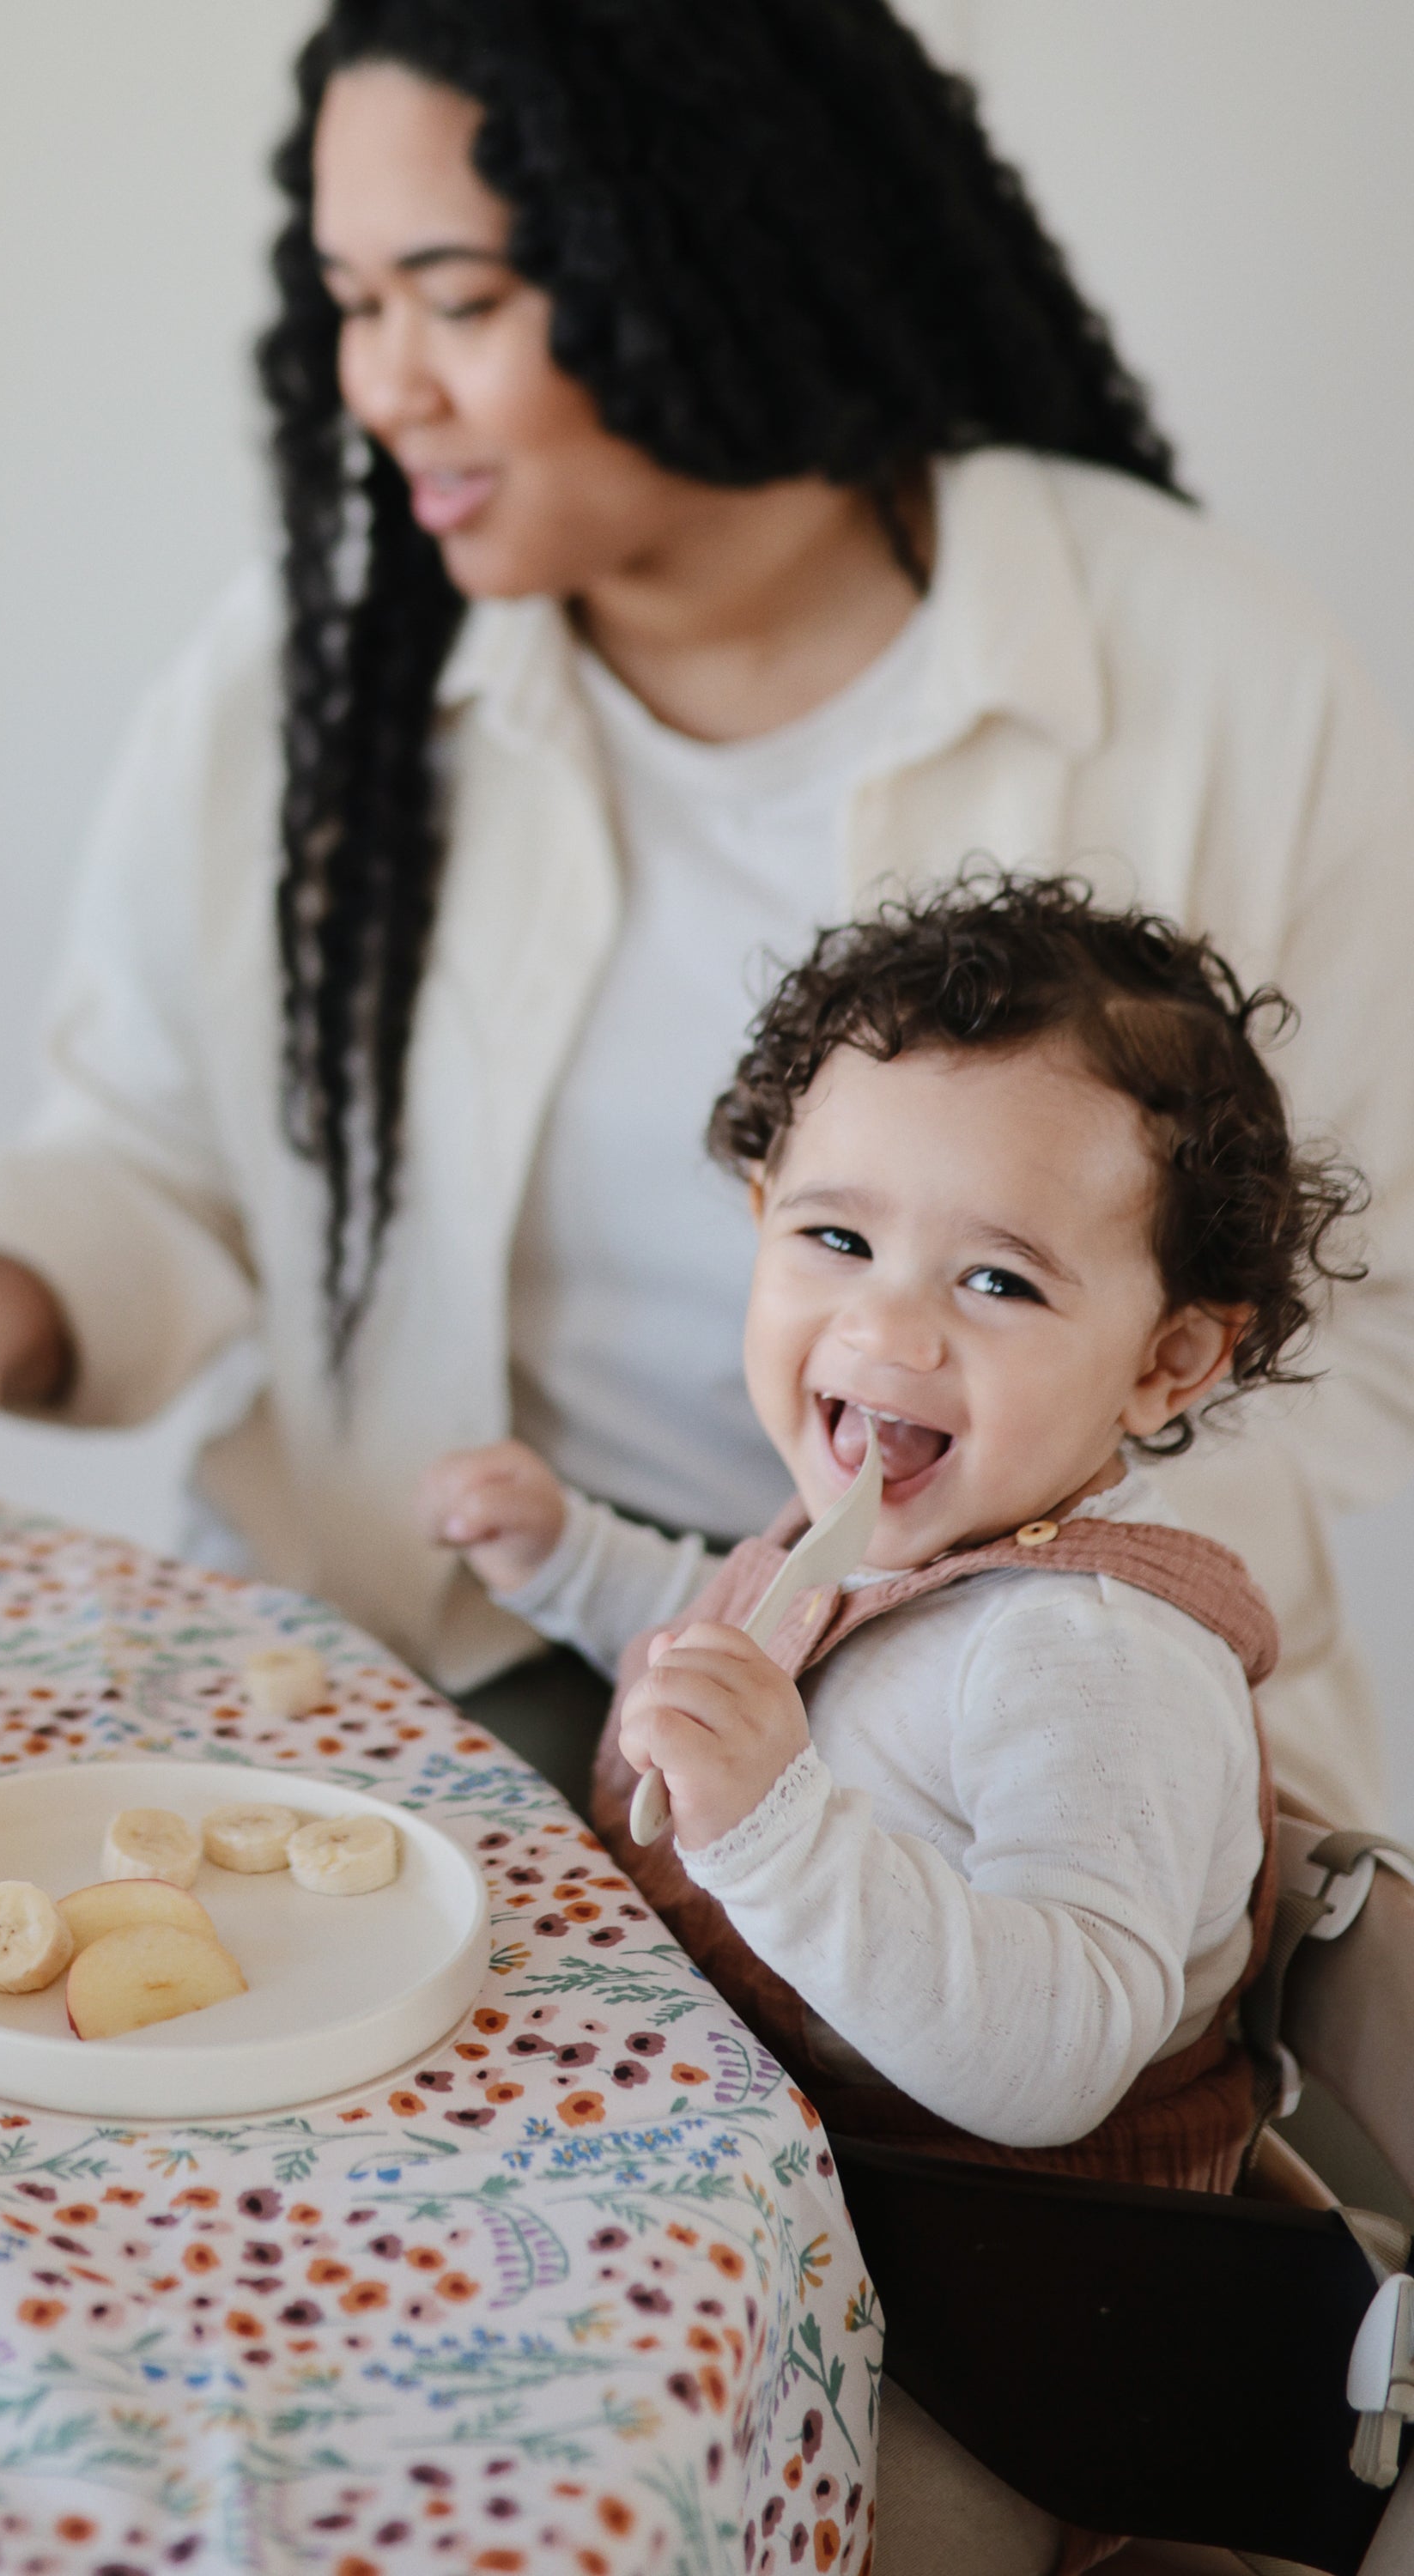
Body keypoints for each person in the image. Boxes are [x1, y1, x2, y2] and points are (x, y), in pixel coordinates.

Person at [0, 0, 1414, 1829]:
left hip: (990, 1763)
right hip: (421, 1668)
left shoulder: (1210, 683)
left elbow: (1360, 1314)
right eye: (353, 302)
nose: (380, 383)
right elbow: (154, 1152)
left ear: (707, 256)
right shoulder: (317, 683)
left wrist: (918, 1624)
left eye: (457, 301)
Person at [422, 875, 1359, 2570]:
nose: (889, 1324)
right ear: (763, 1209)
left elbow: (1058, 2059)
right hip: (778, 2211)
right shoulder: (880, 1539)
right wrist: (567, 1558)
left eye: (999, 1281)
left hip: (989, 2344)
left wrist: (777, 1825)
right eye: (837, 1241)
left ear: (1170, 1363)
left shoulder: (1087, 1658)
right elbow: (738, 1633)